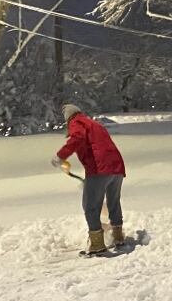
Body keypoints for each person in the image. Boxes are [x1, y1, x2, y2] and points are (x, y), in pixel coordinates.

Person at [52, 104, 126, 255]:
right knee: (113, 201)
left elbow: (78, 137)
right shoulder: (93, 123)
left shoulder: (76, 122)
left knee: (91, 205)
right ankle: (118, 236)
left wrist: (60, 155)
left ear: (68, 117)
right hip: (117, 166)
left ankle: (97, 244)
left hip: (100, 168)